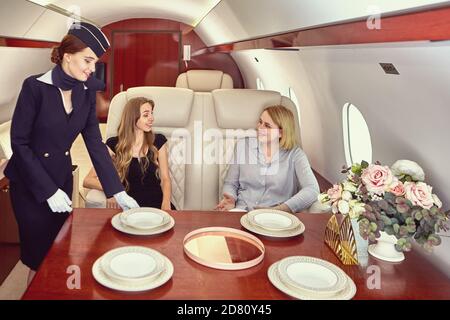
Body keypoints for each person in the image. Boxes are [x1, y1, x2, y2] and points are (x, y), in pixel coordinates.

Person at [4, 22, 139, 282]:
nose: (92, 68)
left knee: (59, 252)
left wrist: (117, 190)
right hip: (31, 186)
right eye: (87, 60)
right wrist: (47, 191)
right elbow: (19, 143)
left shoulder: (85, 92)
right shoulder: (34, 88)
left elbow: (94, 143)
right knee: (38, 257)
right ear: (67, 56)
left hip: (62, 181)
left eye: (94, 62)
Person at [216, 105, 319, 213]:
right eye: (260, 122)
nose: (260, 128)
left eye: (267, 126)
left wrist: (280, 209)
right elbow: (230, 183)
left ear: (281, 132)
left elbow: (312, 189)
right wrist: (231, 199)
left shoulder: (295, 155)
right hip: (242, 212)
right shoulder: (243, 145)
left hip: (275, 218)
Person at [83, 97, 174, 210]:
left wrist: (166, 204)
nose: (151, 118)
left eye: (151, 113)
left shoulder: (158, 141)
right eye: (146, 115)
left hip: (157, 205)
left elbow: (165, 179)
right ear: (132, 118)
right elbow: (88, 180)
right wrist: (113, 190)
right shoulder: (113, 145)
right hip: (129, 207)